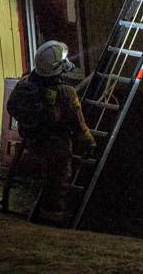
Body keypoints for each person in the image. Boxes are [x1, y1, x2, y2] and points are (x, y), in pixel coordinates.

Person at [7, 40, 96, 224]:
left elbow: (11, 108)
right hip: (54, 145)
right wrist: (91, 143)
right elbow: (80, 126)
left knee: (48, 175)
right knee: (60, 178)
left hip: (31, 141)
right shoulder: (66, 93)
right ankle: (53, 218)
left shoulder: (24, 84)